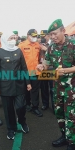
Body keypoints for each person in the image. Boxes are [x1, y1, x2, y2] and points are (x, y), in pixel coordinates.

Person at [37, 19, 75, 150]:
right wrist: (42, 66)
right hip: (58, 87)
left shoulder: (73, 44)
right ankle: (64, 136)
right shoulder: (51, 47)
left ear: (63, 31)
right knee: (59, 114)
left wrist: (67, 70)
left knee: (71, 116)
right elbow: (47, 64)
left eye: (54, 33)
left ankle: (72, 142)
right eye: (50, 35)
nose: (52, 37)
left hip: (72, 88)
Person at [0, 31, 32, 140]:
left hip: (19, 84)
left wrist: (28, 82)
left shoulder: (18, 50)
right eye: (10, 38)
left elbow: (24, 67)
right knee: (8, 109)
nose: (13, 40)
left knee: (21, 106)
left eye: (14, 38)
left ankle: (22, 121)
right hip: (5, 86)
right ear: (5, 39)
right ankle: (11, 129)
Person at [18, 29, 43, 117]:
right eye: (32, 36)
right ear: (28, 35)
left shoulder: (38, 45)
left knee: (35, 90)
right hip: (25, 72)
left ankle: (35, 107)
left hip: (35, 72)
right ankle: (27, 104)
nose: (34, 37)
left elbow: (41, 57)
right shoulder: (22, 45)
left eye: (35, 36)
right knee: (25, 90)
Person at [40, 30, 54, 112]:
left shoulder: (52, 44)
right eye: (41, 36)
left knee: (52, 89)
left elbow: (55, 56)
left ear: (48, 36)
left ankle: (54, 106)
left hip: (51, 68)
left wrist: (46, 49)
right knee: (44, 88)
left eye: (44, 35)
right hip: (42, 69)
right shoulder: (38, 45)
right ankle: (45, 104)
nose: (42, 37)